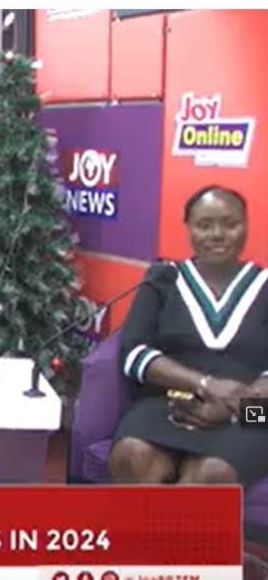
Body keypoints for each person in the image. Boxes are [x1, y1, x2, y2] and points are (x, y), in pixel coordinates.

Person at [110, 186, 268, 486]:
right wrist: (206, 385)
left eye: (230, 224)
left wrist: (232, 407)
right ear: (189, 229)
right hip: (169, 400)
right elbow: (133, 353)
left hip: (253, 412)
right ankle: (143, 519)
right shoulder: (164, 278)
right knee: (131, 455)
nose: (217, 234)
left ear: (246, 226)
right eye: (204, 225)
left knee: (213, 473)